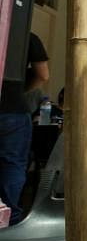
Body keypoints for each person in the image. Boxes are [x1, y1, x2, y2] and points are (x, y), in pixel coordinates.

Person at [0, 32, 49, 225]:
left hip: (13, 111)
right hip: (12, 107)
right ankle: (8, 227)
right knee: (11, 166)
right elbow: (43, 74)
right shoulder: (24, 35)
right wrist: (19, 90)